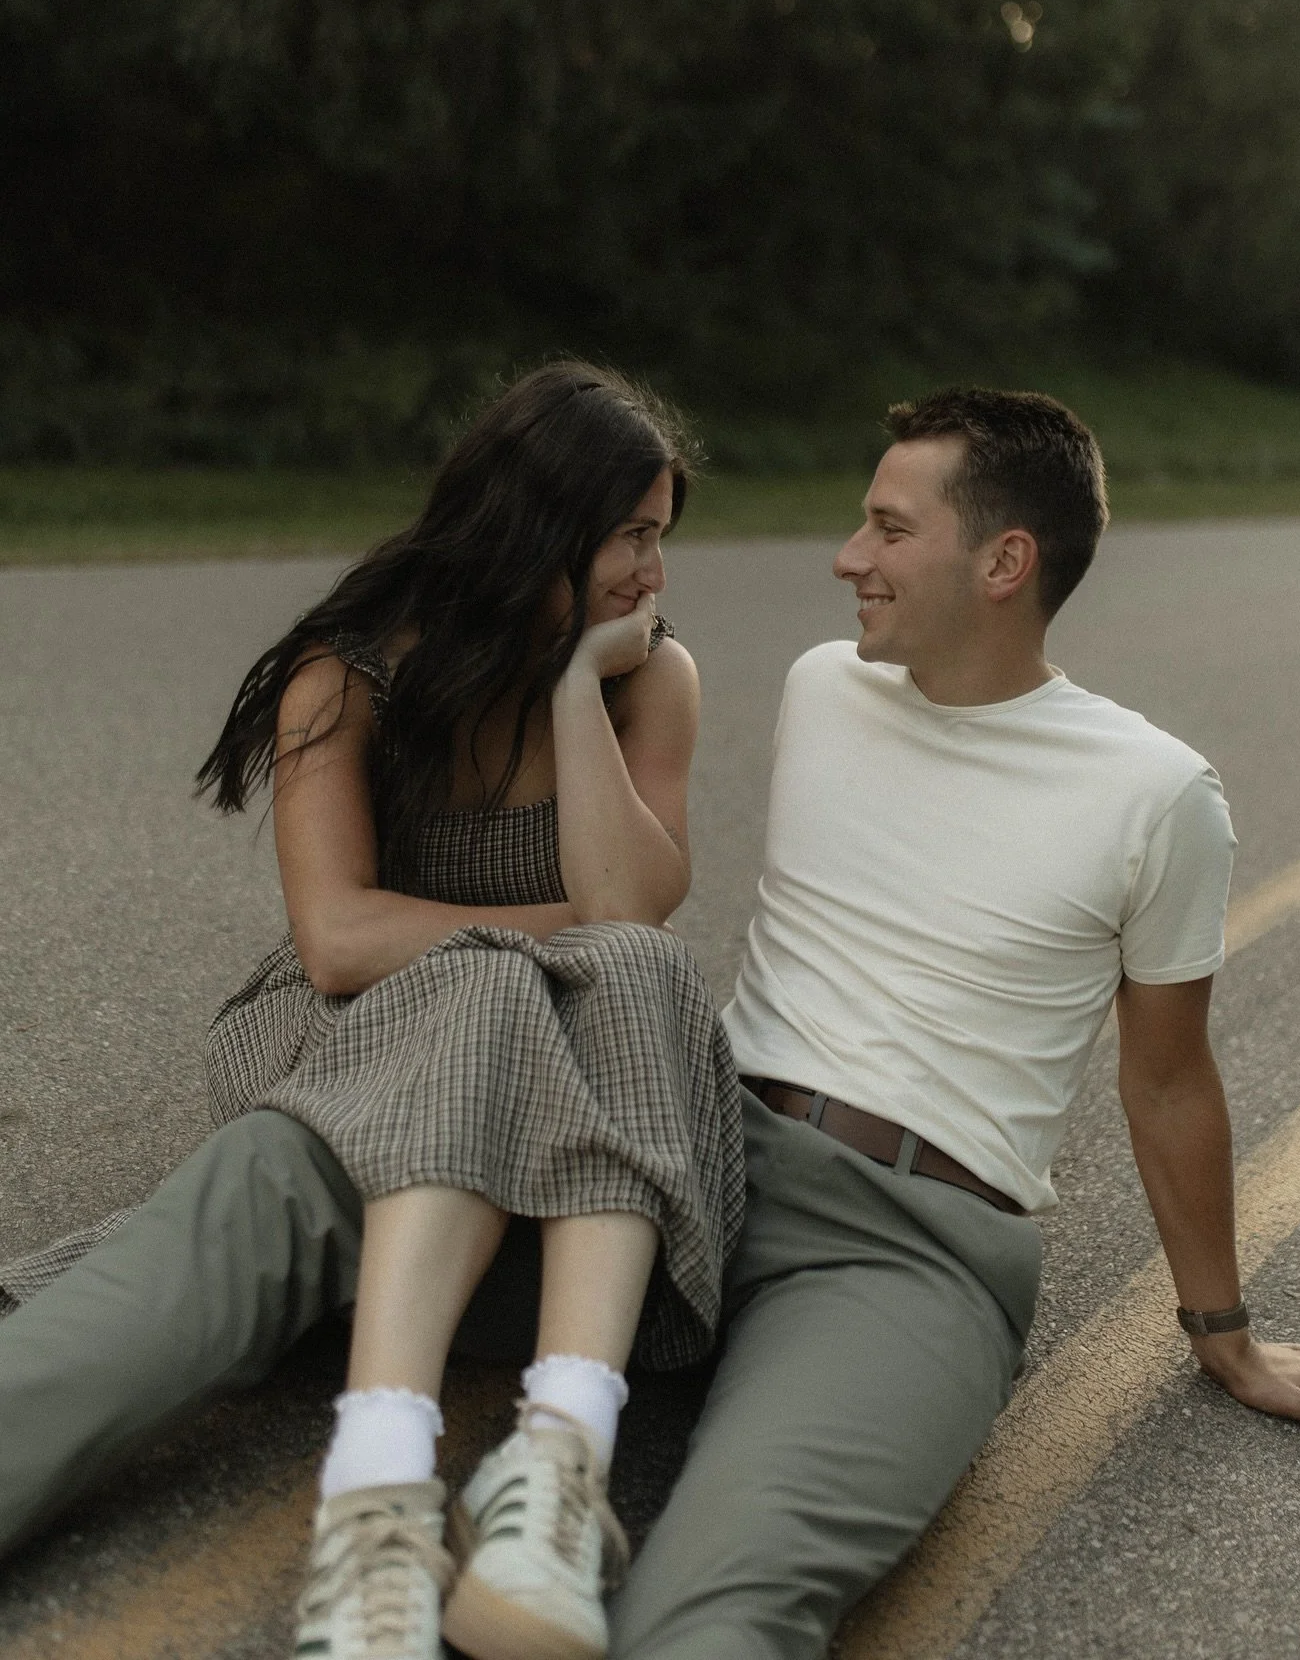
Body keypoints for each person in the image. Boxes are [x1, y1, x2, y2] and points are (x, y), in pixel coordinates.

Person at [1, 384, 1300, 1660]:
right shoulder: (822, 689)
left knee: (714, 1604)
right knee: (268, 1180)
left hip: (901, 1243)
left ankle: (563, 1498)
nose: (846, 556)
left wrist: (1221, 1325)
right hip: (684, 1154)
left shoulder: (1157, 793)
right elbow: (593, 931)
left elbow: (1170, 1081)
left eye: (889, 528)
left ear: (1005, 562)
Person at [0, 360, 745, 1660]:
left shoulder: (649, 682)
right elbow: (340, 941)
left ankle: (548, 1478)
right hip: (341, 1057)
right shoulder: (347, 678)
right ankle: (384, 1484)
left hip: (554, 1079)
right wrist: (539, 951)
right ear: (539, 533)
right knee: (506, 983)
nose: (654, 576)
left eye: (660, 538)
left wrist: (577, 693)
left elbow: (633, 922)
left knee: (627, 977)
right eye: (631, 538)